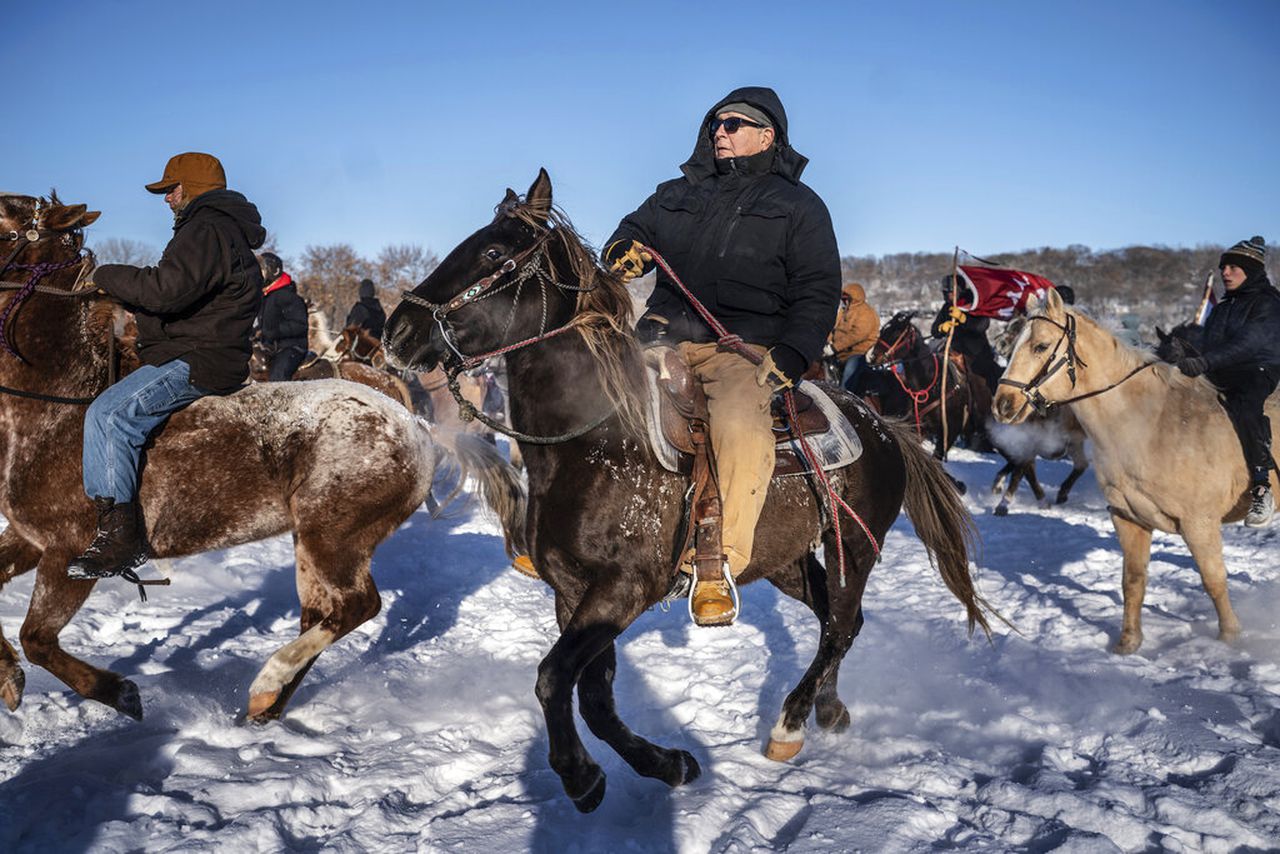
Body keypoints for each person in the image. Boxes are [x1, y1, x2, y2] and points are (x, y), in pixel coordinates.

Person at [603, 86, 841, 625]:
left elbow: (819, 288)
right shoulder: (674, 193)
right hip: (659, 339)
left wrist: (795, 351)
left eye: (734, 125)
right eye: (716, 124)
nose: (720, 133)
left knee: (738, 420)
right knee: (587, 390)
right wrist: (623, 250)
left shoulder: (799, 206)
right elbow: (632, 233)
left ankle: (717, 562)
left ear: (767, 135)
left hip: (742, 348)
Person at [68, 152, 265, 581]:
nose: (166, 198)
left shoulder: (206, 228)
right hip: (194, 348)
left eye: (171, 189)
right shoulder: (213, 229)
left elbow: (165, 291)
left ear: (192, 188)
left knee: (110, 414)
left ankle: (120, 536)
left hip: (200, 358)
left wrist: (106, 276)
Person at [1175, 236, 1280, 526]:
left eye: (1234, 267)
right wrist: (1183, 350)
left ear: (1252, 272)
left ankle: (1262, 487)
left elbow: (1249, 343)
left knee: (1245, 406)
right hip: (1221, 368)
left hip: (1258, 368)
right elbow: (1209, 344)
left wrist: (1206, 362)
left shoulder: (1268, 302)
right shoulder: (1222, 307)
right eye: (1224, 267)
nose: (1226, 273)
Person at [931, 275, 1003, 394]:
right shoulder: (947, 307)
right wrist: (942, 328)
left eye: (951, 292)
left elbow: (981, 326)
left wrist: (963, 318)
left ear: (960, 290)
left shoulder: (975, 303)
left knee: (989, 378)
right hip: (955, 352)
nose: (949, 295)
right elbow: (934, 331)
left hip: (977, 353)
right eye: (947, 293)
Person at [257, 252, 309, 381]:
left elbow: (300, 325)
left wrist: (273, 331)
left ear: (273, 271)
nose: (258, 275)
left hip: (291, 347)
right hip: (271, 347)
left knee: (277, 378)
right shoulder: (266, 296)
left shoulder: (288, 296)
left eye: (261, 271)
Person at [829, 281, 879, 391]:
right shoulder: (843, 312)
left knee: (849, 375)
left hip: (858, 353)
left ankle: (845, 400)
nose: (845, 302)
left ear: (854, 298)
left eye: (847, 299)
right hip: (839, 352)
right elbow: (833, 329)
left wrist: (834, 347)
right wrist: (827, 343)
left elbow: (857, 335)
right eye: (843, 299)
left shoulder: (866, 312)